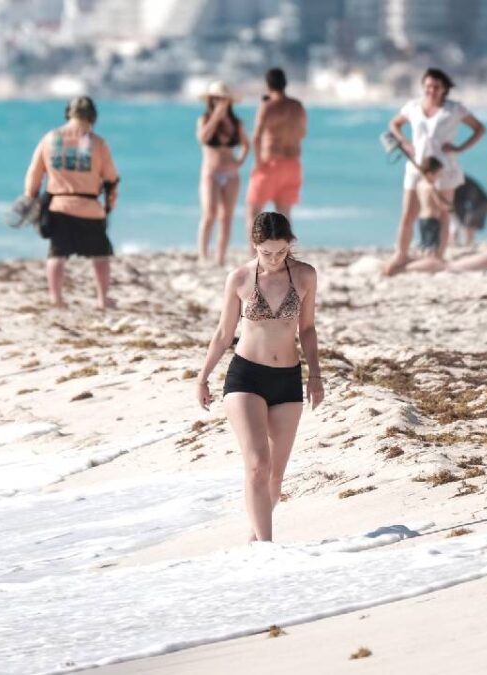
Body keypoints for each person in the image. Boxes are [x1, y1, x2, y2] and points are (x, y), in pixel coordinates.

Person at [196, 212, 323, 542]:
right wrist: (202, 377)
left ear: (289, 245)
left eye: (280, 251)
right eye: (266, 252)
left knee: (275, 481)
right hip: (246, 378)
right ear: (254, 245)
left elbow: (307, 330)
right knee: (257, 465)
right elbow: (224, 332)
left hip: (288, 380)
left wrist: (316, 376)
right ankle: (267, 549)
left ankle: (253, 546)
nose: (273, 258)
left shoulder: (305, 276)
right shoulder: (239, 279)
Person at [384, 68, 486, 274]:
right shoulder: (413, 107)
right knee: (408, 212)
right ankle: (401, 254)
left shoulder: (455, 109)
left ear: (444, 89)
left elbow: (479, 129)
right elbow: (394, 124)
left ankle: (438, 254)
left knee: (443, 212)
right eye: (428, 86)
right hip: (416, 164)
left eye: (436, 87)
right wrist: (404, 141)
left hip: (444, 165)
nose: (431, 90)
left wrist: (460, 148)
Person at [24, 96, 120, 310]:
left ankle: (56, 298)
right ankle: (102, 299)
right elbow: (111, 178)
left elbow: (34, 174)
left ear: (69, 113)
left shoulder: (49, 139)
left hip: (59, 204)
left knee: (57, 253)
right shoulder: (97, 143)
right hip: (90, 208)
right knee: (101, 254)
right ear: (92, 116)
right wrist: (110, 205)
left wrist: (31, 198)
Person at [246, 68, 306, 252]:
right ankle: (284, 255)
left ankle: (253, 255)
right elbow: (302, 132)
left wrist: (257, 162)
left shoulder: (268, 106)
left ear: (267, 85)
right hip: (293, 163)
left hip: (271, 162)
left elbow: (256, 137)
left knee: (254, 211)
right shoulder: (297, 106)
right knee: (284, 215)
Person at [196, 81, 249, 266]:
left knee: (226, 217)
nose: (220, 102)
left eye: (223, 99)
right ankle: (203, 255)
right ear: (211, 100)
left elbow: (246, 144)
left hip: (231, 174)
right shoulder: (204, 120)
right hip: (211, 173)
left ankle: (220, 257)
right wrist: (216, 117)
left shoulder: (236, 122)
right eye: (216, 98)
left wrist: (240, 162)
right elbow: (202, 138)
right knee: (209, 214)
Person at [402, 157, 451, 273]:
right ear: (430, 173)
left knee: (425, 243)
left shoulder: (419, 185)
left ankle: (424, 262)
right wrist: (449, 207)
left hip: (422, 218)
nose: (438, 177)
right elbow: (438, 203)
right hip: (432, 218)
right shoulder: (431, 187)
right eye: (437, 174)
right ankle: (429, 265)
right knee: (433, 245)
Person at [453, 175, 487, 246]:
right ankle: (468, 242)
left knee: (468, 223)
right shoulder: (462, 180)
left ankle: (468, 242)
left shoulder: (459, 181)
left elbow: (460, 201)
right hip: (482, 201)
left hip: (480, 202)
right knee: (469, 223)